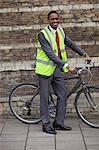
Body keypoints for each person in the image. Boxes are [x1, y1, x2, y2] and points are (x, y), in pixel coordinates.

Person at [35, 10, 91, 134]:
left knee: (63, 95)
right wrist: (66, 65)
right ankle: (46, 124)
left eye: (57, 19)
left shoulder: (60, 30)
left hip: (57, 70)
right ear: (48, 20)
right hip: (45, 70)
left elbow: (70, 43)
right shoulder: (43, 34)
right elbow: (49, 54)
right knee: (44, 98)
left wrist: (83, 53)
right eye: (52, 19)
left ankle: (58, 122)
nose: (55, 21)